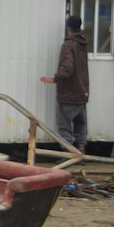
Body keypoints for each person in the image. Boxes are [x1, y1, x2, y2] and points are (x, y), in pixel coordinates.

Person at [41, 14, 90, 152]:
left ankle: (68, 155)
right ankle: (81, 152)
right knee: (81, 125)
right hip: (82, 92)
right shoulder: (83, 44)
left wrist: (55, 78)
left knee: (65, 126)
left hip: (69, 94)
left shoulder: (68, 45)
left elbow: (68, 68)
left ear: (67, 27)